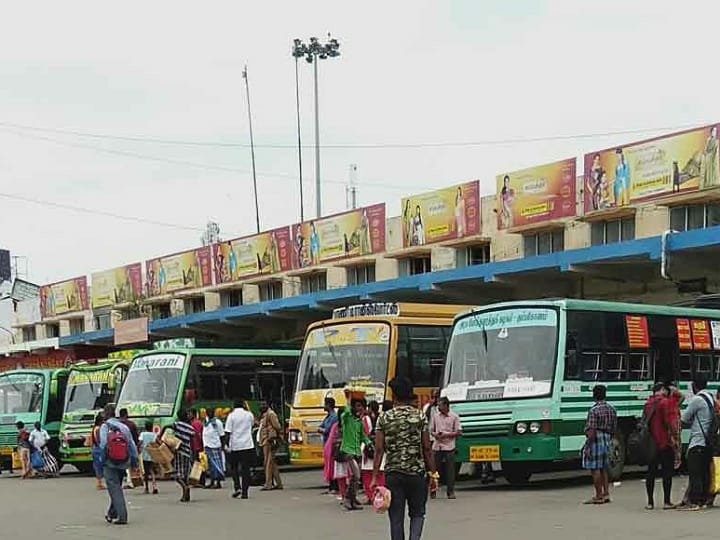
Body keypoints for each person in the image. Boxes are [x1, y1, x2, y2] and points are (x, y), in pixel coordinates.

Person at [372, 377, 438, 540]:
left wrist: (374, 477)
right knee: (417, 514)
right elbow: (427, 449)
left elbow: (379, 450)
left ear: (393, 396)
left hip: (393, 474)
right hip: (416, 474)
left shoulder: (384, 418)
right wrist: (433, 473)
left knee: (396, 518)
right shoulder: (420, 416)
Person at [99, 405, 139, 525]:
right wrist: (135, 461)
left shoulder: (105, 427)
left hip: (110, 462)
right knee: (116, 487)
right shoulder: (124, 427)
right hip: (123, 461)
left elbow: (103, 444)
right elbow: (131, 445)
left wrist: (102, 459)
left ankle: (122, 516)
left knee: (114, 488)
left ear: (106, 414)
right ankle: (112, 513)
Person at [680, 373, 715, 510]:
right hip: (708, 441)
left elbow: (685, 418)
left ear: (694, 386)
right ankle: (704, 499)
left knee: (695, 473)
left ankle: (695, 501)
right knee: (704, 472)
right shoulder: (710, 397)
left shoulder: (697, 400)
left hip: (698, 440)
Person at [582, 384, 617, 505]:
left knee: (594, 468)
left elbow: (591, 430)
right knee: (603, 468)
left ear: (594, 395)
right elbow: (614, 428)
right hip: (607, 438)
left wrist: (588, 446)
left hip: (596, 439)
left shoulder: (593, 410)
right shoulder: (611, 409)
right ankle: (606, 494)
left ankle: (598, 495)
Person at [643, 383, 676, 510]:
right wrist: (674, 437)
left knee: (651, 472)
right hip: (665, 442)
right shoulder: (665, 403)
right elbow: (669, 422)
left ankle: (650, 502)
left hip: (651, 443)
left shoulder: (647, 404)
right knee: (667, 472)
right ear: (662, 390)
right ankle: (666, 501)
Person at [340, 396, 371, 510]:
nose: (360, 408)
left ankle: (352, 500)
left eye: (361, 406)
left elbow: (363, 436)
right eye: (357, 406)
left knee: (356, 477)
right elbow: (346, 412)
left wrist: (369, 443)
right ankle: (348, 499)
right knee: (356, 475)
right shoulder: (347, 418)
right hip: (348, 451)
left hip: (357, 452)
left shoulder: (359, 422)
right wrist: (349, 400)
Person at [157, 409, 195, 502]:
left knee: (177, 474)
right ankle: (186, 496)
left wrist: (160, 435)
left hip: (179, 451)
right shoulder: (190, 427)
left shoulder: (178, 424)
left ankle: (185, 488)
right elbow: (193, 438)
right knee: (185, 475)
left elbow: (166, 426)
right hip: (187, 452)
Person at [430, 397, 462, 500]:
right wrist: (436, 435)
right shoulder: (435, 417)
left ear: (446, 405)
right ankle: (433, 490)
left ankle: (450, 491)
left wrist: (447, 435)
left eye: (440, 405)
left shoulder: (454, 417)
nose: (438, 407)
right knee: (434, 470)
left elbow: (459, 432)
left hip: (449, 446)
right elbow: (431, 430)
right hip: (437, 445)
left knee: (450, 470)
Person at [224, 400, 256, 500]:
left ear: (233, 406)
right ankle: (245, 492)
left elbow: (228, 432)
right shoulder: (249, 415)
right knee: (245, 469)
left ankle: (237, 487)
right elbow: (252, 425)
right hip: (247, 445)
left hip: (235, 446)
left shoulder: (231, 416)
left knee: (234, 467)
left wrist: (226, 445)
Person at [361, 401, 384, 502]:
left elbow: (364, 432)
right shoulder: (381, 418)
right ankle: (380, 495)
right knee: (380, 473)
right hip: (379, 446)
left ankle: (371, 496)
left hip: (367, 447)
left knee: (367, 474)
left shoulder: (365, 418)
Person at [258, 401, 283, 491]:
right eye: (261, 404)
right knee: (272, 463)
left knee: (268, 463)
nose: (262, 406)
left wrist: (273, 436)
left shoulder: (271, 414)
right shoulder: (264, 415)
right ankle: (279, 483)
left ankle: (268, 484)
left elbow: (277, 426)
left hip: (269, 441)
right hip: (265, 440)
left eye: (264, 404)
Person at [319, 397, 339, 493]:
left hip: (332, 444)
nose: (323, 406)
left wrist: (321, 430)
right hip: (327, 443)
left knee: (332, 465)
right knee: (328, 465)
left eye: (325, 404)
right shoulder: (328, 417)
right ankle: (331, 486)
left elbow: (326, 430)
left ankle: (334, 487)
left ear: (328, 405)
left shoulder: (334, 417)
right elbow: (321, 427)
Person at [203, 408, 225, 489]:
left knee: (217, 465)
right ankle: (212, 481)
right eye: (208, 412)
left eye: (211, 412)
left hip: (215, 446)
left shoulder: (217, 422)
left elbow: (222, 435)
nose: (209, 414)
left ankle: (218, 482)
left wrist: (223, 446)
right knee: (210, 466)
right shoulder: (206, 422)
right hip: (208, 446)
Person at [118, 408, 140, 489]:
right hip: (130, 446)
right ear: (126, 414)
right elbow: (135, 436)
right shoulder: (131, 424)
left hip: (118, 446)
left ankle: (127, 480)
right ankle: (130, 481)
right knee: (129, 464)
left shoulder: (116, 424)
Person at [139, 421, 158, 495]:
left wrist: (138, 449)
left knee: (146, 472)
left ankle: (146, 488)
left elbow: (140, 443)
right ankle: (154, 487)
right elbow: (157, 443)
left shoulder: (142, 434)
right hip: (152, 455)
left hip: (145, 455)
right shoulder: (154, 435)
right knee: (152, 471)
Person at [90, 413, 105, 490]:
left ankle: (99, 483)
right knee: (100, 466)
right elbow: (99, 440)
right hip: (98, 449)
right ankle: (99, 484)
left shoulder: (94, 428)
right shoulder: (99, 429)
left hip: (94, 449)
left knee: (97, 466)